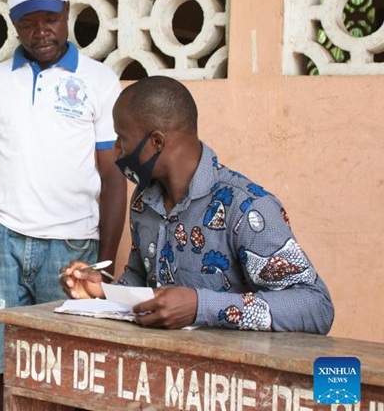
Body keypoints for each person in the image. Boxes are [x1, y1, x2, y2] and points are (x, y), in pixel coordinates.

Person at [0, 0, 127, 411]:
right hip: (1, 246)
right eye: (28, 22)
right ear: (14, 24)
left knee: (66, 373)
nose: (40, 31)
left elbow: (112, 179)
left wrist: (103, 267)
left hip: (72, 251)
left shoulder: (100, 80)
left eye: (50, 18)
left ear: (67, 15)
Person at [60, 76, 334, 334]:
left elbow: (316, 307)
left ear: (156, 142)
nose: (116, 150)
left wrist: (199, 306)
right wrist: (103, 291)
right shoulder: (144, 200)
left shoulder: (247, 208)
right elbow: (144, 282)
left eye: (122, 138)